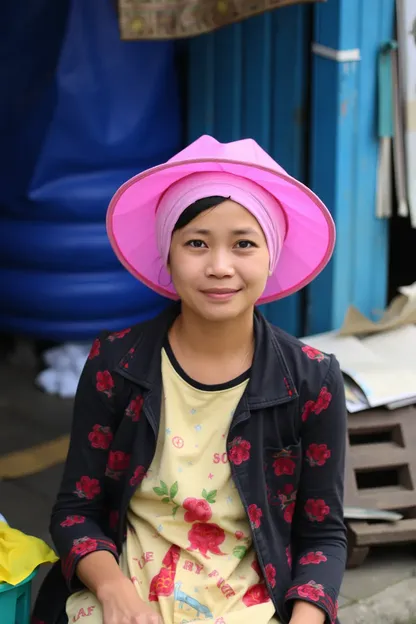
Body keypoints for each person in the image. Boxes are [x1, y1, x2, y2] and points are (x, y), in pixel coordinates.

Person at [33, 135, 347, 624]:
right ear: (168, 253)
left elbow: (323, 534)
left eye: (244, 244)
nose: (219, 267)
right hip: (126, 593)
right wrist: (113, 591)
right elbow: (75, 510)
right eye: (197, 243)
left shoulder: (312, 380)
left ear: (272, 255)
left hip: (250, 602)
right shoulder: (116, 363)